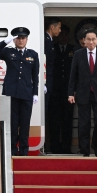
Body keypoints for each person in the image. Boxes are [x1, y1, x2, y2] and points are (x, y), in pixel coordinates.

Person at [0, 27, 39, 156]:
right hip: (12, 92)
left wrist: (35, 93)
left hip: (27, 93)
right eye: (18, 38)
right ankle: (11, 149)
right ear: (14, 40)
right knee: (12, 122)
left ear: (27, 39)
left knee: (25, 123)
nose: (20, 40)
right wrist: (5, 41)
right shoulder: (8, 52)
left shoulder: (33, 54)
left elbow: (35, 76)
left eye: (23, 38)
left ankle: (23, 150)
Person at [68, 28, 97, 157]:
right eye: (88, 39)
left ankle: (96, 145)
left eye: (93, 39)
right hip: (83, 92)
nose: (91, 42)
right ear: (84, 41)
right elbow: (73, 75)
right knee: (84, 122)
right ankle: (84, 149)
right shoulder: (78, 54)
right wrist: (71, 93)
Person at [50, 25, 75, 154]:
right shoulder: (52, 48)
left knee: (67, 120)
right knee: (54, 120)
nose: (63, 36)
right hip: (55, 91)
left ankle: (66, 147)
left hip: (68, 92)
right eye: (61, 34)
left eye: (66, 34)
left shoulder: (73, 49)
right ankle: (54, 147)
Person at [44, 18, 61, 153]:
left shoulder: (50, 41)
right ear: (52, 27)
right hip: (46, 82)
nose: (59, 31)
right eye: (58, 28)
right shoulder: (45, 40)